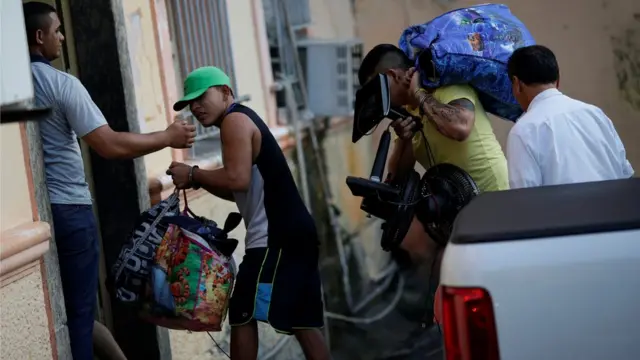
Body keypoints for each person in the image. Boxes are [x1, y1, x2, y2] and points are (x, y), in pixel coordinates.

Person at [23, 2, 196, 359]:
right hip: (71, 211)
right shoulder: (61, 83)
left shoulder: (12, 86)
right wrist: (167, 137)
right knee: (80, 316)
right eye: (57, 30)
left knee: (76, 312)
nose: (62, 36)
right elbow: (109, 144)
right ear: (39, 37)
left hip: (36, 216)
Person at [167, 66, 331, 360]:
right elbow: (236, 189)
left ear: (225, 92)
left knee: (243, 309)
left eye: (201, 97)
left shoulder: (234, 121)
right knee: (303, 321)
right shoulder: (239, 119)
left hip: (275, 236)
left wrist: (193, 173)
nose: (195, 107)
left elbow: (236, 179)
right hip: (295, 232)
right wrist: (197, 176)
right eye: (190, 103)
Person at [357, 44, 508, 266]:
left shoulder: (444, 85)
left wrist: (419, 94)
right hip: (460, 222)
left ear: (392, 75)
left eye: (377, 90)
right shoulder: (409, 114)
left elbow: (460, 126)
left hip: (497, 205)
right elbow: (398, 176)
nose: (378, 102)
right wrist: (405, 140)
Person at [506, 44, 634, 188]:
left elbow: (524, 198)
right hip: (615, 208)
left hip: (562, 211)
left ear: (517, 84)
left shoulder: (523, 130)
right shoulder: (595, 114)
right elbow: (626, 175)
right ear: (558, 80)